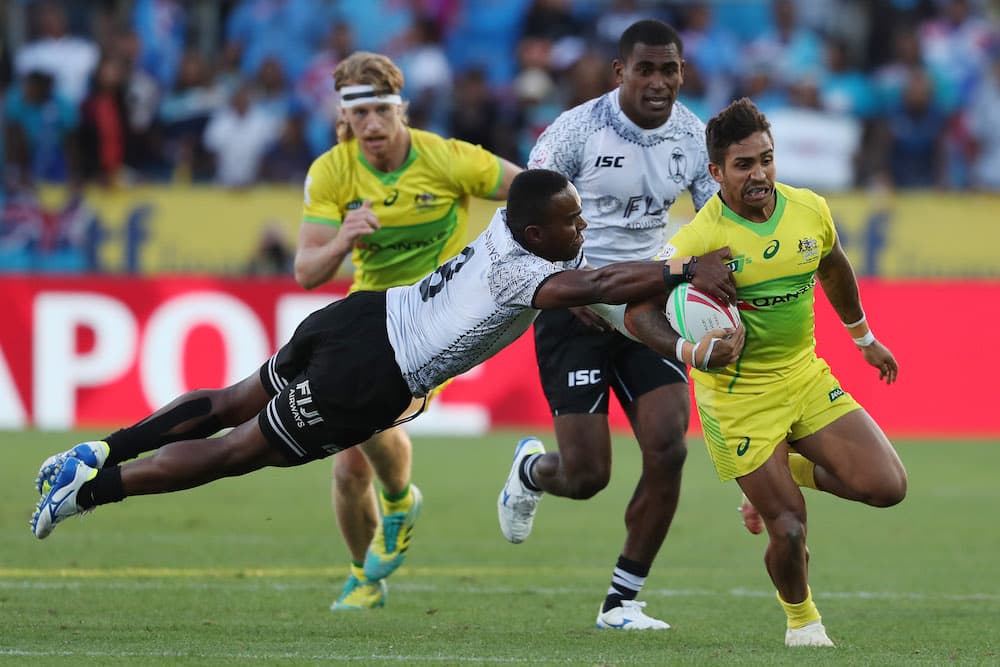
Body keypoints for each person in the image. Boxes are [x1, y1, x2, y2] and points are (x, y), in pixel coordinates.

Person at [30, 169, 745, 557]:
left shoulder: (508, 228)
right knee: (232, 452)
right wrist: (683, 268)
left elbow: (583, 273)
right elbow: (590, 286)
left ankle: (96, 450)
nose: (582, 228)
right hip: (371, 376)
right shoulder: (521, 271)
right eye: (572, 221)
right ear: (535, 231)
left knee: (232, 397)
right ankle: (88, 493)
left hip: (362, 313)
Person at [624, 98, 907, 647]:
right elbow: (638, 311)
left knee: (887, 487)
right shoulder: (698, 241)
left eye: (766, 160)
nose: (759, 175)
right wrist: (691, 351)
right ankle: (802, 621)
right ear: (715, 172)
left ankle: (787, 467)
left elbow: (832, 265)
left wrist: (863, 338)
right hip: (738, 400)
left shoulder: (808, 209)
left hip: (803, 375)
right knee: (791, 526)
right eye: (743, 165)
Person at [500, 19, 722, 630]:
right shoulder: (573, 131)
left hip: (646, 302)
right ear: (620, 72)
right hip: (573, 305)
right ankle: (531, 471)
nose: (659, 82)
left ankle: (622, 601)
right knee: (587, 475)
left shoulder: (693, 136)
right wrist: (569, 281)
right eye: (645, 69)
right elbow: (526, 213)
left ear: (682, 72)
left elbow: (716, 221)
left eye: (669, 69)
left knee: (670, 446)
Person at [292, 51, 522, 611]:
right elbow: (305, 272)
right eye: (358, 112)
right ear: (344, 115)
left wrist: (501, 258)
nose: (371, 124)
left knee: (365, 416)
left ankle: (397, 504)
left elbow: (532, 190)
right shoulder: (332, 172)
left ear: (403, 110)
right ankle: (364, 573)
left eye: (381, 110)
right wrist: (343, 239)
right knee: (347, 469)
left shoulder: (445, 159)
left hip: (438, 319)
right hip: (369, 313)